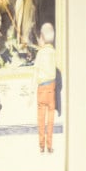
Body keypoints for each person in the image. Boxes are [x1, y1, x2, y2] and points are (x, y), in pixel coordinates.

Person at [34, 22, 59, 154]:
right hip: (52, 88)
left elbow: (36, 72)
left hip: (42, 89)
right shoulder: (53, 52)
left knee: (40, 118)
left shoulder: (40, 53)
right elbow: (57, 67)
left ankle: (41, 146)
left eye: (39, 37)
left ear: (42, 37)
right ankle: (50, 146)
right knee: (50, 119)